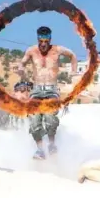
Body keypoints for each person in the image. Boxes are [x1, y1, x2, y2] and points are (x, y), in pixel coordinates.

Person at [17, 26, 77, 159]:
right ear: (37, 39)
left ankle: (51, 144)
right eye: (41, 41)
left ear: (50, 39)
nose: (43, 44)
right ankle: (39, 150)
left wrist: (73, 72)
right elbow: (22, 62)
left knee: (50, 119)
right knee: (34, 122)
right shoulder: (31, 50)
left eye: (46, 41)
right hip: (36, 90)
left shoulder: (57, 49)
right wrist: (21, 69)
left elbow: (72, 56)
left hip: (52, 90)